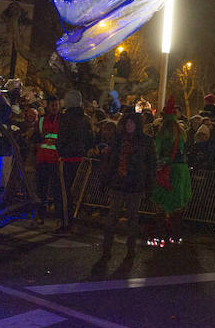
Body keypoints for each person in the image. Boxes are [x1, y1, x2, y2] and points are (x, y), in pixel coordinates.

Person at [96, 109, 155, 267]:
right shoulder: (119, 139)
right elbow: (112, 162)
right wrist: (105, 181)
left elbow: (150, 165)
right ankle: (106, 249)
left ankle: (130, 250)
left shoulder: (146, 141)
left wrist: (149, 186)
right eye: (127, 123)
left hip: (135, 184)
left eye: (132, 123)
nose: (129, 126)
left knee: (132, 218)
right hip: (118, 182)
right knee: (112, 216)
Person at [150, 97, 193, 245]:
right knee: (178, 203)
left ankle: (161, 234)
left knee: (160, 202)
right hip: (181, 170)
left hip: (167, 170)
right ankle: (175, 234)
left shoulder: (163, 133)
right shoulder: (180, 131)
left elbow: (157, 150)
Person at [55, 90, 93, 232]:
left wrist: (61, 152)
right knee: (76, 192)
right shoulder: (85, 119)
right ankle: (74, 221)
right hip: (81, 159)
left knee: (65, 193)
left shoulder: (66, 118)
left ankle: (66, 223)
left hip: (67, 159)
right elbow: (90, 138)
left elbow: (62, 138)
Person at [34, 95, 63, 224]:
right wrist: (39, 140)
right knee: (41, 190)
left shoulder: (62, 120)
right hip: (42, 159)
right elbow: (35, 138)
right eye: (52, 105)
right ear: (47, 106)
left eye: (56, 105)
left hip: (56, 160)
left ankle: (58, 217)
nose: (54, 107)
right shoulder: (41, 120)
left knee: (57, 191)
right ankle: (40, 215)